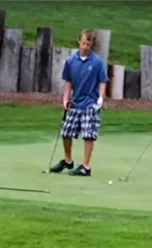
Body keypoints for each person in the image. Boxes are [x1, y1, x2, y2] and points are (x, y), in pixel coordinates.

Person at [48, 29, 108, 177]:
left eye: (88, 44)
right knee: (66, 132)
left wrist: (100, 98)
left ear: (91, 44)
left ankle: (86, 166)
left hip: (91, 103)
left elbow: (102, 81)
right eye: (83, 43)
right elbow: (68, 81)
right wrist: (65, 99)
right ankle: (68, 161)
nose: (85, 46)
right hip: (75, 102)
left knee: (88, 135)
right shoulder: (70, 61)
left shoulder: (97, 62)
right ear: (79, 42)